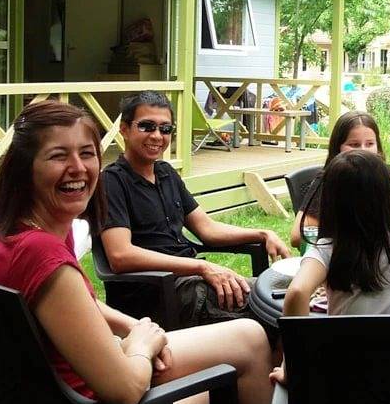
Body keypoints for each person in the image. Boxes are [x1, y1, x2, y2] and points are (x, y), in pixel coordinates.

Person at [0, 100, 284, 404]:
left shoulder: (18, 233)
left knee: (248, 336)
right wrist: (140, 346)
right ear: (24, 167)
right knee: (246, 352)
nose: (77, 168)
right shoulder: (41, 252)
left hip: (71, 402)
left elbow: (81, 306)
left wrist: (142, 331)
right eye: (58, 156)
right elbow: (124, 390)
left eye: (87, 153)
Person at [101, 91, 290, 326]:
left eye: (165, 128)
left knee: (286, 294)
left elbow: (207, 229)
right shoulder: (112, 182)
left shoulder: (166, 173)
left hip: (190, 283)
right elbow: (121, 256)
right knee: (277, 309)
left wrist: (262, 233)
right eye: (147, 126)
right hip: (155, 296)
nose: (157, 136)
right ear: (125, 129)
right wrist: (201, 267)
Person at [271, 150, 390, 386]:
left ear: (330, 203)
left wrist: (294, 366)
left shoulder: (327, 250)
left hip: (344, 379)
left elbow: (297, 292)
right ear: (388, 200)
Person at [288, 110, 390, 248]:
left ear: (378, 147)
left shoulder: (386, 174)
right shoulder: (329, 182)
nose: (363, 150)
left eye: (370, 144)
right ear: (338, 148)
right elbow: (296, 236)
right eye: (354, 144)